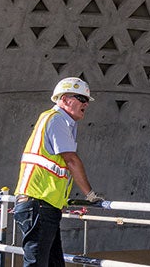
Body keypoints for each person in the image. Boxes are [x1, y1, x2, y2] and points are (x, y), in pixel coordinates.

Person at [14, 77, 103, 267]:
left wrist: (60, 202)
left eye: (87, 100)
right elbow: (71, 160)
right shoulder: (57, 120)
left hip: (44, 205)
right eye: (81, 98)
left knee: (52, 263)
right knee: (37, 263)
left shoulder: (59, 121)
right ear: (64, 99)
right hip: (39, 204)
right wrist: (90, 194)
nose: (86, 104)